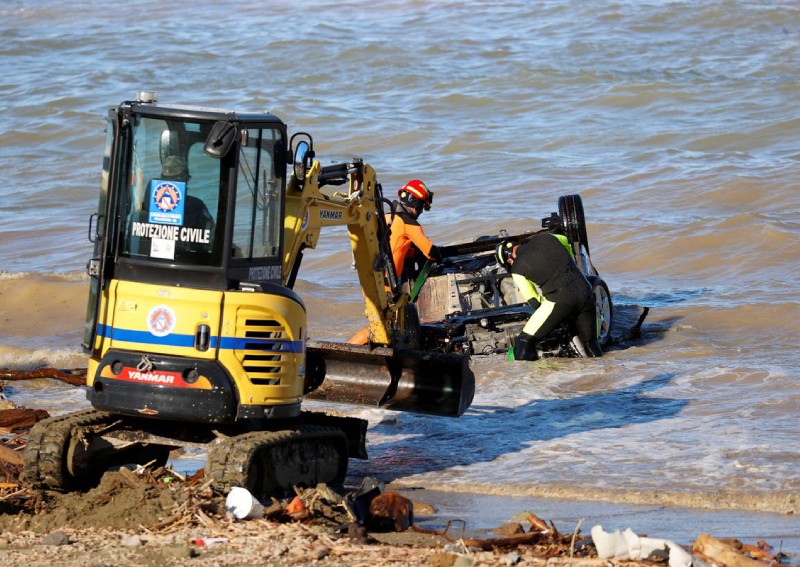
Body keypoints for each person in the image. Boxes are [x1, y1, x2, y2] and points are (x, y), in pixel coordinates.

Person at [496, 233, 602, 360]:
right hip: (586, 292)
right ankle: (603, 374)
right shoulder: (546, 236)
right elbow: (568, 241)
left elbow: (534, 301)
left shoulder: (517, 269)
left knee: (523, 342)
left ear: (509, 260)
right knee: (591, 345)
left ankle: (530, 379)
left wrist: (555, 316)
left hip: (561, 300)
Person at [386, 179, 441, 285]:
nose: (421, 211)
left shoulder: (385, 217)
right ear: (416, 204)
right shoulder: (409, 224)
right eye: (423, 207)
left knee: (412, 249)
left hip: (374, 282)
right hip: (389, 286)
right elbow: (431, 254)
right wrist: (439, 257)